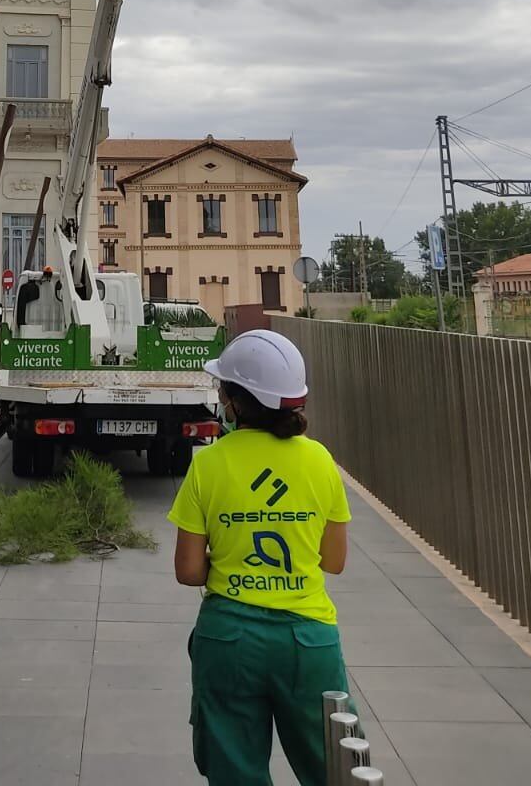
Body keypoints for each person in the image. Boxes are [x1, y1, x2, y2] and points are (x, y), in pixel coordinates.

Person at [167, 329, 352, 786]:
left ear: (235, 402)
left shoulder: (208, 464)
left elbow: (189, 571)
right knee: (336, 768)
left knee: (235, 773)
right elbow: (333, 561)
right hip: (309, 643)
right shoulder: (320, 461)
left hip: (228, 640)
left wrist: (233, 560)